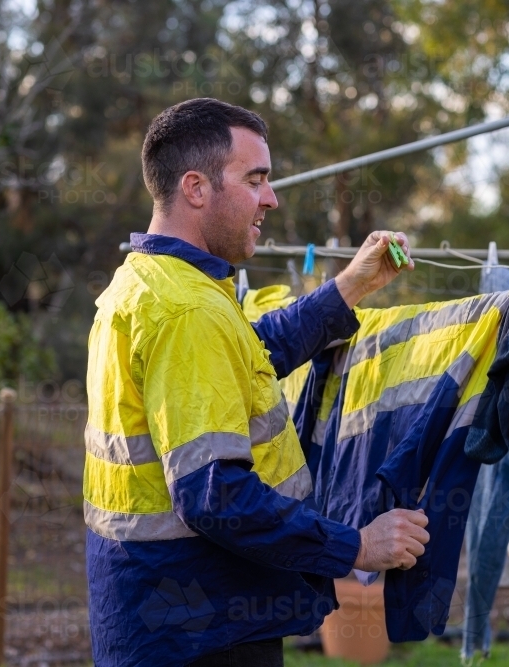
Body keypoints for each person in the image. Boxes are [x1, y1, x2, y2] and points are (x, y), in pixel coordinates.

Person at [84, 97, 430, 667]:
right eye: (256, 179)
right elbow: (215, 494)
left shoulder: (148, 284)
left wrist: (347, 288)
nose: (271, 197)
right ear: (196, 188)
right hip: (203, 630)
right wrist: (357, 546)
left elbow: (250, 355)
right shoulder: (186, 311)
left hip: (159, 617)